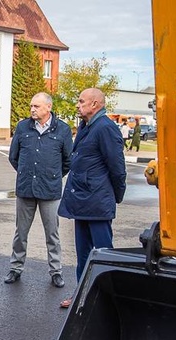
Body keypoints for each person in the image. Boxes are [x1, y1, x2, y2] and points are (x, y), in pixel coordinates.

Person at [58, 88, 127, 308]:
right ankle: (83, 296)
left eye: (81, 101)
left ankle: (110, 302)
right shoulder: (86, 126)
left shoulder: (106, 128)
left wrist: (115, 195)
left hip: (97, 202)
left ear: (95, 104)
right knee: (83, 255)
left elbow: (117, 167)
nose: (77, 105)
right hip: (82, 202)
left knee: (103, 254)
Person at [5, 92, 72, 288]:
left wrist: (51, 176)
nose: (32, 109)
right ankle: (15, 268)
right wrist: (27, 173)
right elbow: (13, 157)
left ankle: (56, 271)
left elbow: (68, 161)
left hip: (50, 191)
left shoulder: (62, 130)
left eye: (37, 106)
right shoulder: (23, 127)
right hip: (25, 189)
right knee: (21, 232)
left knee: (53, 234)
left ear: (48, 108)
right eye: (31, 106)